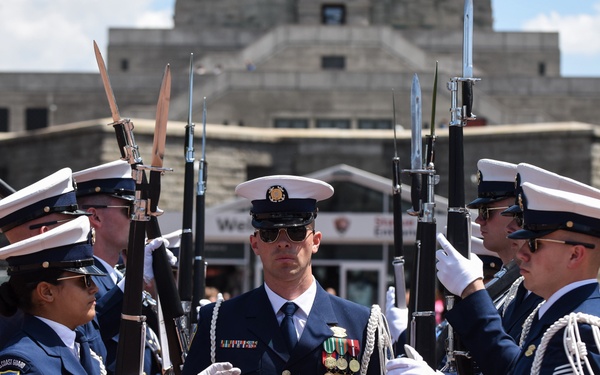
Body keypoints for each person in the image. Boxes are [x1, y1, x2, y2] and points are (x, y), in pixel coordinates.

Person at [387, 179, 600, 374]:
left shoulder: (579, 332)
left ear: (575, 255)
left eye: (534, 244)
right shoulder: (551, 317)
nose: (522, 253)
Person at [182, 175, 389, 375]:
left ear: (315, 241)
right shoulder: (218, 323)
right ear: (255, 244)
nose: (283, 242)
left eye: (296, 232)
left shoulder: (361, 324)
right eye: (270, 234)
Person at [0, 168, 105, 358]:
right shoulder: (21, 335)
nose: (84, 226)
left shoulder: (67, 315)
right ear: (45, 232)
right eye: (72, 220)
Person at [73, 160, 166, 375]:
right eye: (131, 209)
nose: (140, 218)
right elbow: (90, 330)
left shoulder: (115, 278)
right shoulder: (80, 280)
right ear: (94, 216)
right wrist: (135, 280)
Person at [0, 216, 107, 374]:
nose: (94, 288)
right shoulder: (23, 362)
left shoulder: (79, 346)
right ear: (47, 292)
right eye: (84, 280)